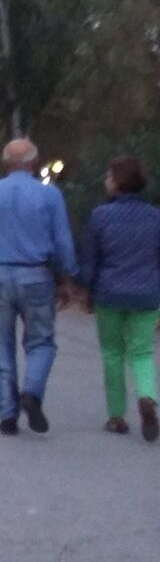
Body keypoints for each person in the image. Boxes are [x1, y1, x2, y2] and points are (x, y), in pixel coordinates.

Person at [0, 139, 79, 436]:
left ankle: (7, 413)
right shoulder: (50, 195)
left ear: (5, 163)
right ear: (34, 163)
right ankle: (32, 392)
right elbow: (62, 241)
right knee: (41, 341)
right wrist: (67, 278)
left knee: (0, 345)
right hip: (37, 275)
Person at [76, 156, 160, 441]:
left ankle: (116, 416)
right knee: (143, 352)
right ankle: (147, 396)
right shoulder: (155, 216)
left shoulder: (100, 216)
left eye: (108, 176)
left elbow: (90, 259)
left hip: (109, 293)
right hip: (147, 293)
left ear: (117, 181)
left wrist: (84, 290)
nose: (106, 181)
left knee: (112, 353)